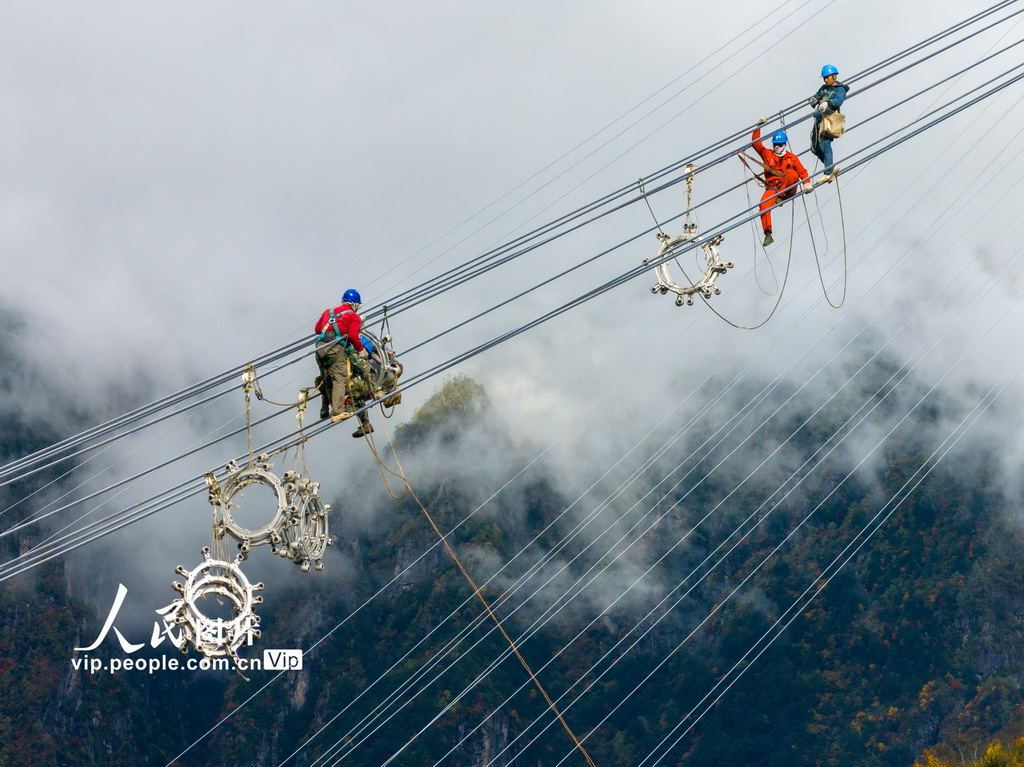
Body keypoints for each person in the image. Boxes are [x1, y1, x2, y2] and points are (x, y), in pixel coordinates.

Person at [314, 289, 374, 436]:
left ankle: (327, 407)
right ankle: (338, 412)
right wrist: (360, 350)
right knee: (340, 379)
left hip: (319, 347)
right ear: (354, 304)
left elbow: (317, 329)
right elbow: (354, 336)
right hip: (335, 349)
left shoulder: (329, 311)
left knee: (328, 379)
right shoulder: (353, 316)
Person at [751, 125, 811, 246]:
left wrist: (806, 183)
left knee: (792, 173)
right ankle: (767, 233)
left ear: (784, 145)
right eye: (775, 144)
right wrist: (758, 127)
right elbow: (756, 144)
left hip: (787, 189)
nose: (776, 147)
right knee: (763, 205)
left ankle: (780, 197)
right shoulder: (767, 154)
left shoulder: (792, 158)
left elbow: (802, 172)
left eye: (779, 144)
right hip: (773, 188)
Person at [809, 64, 850, 180]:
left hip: (828, 121)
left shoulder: (840, 89)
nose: (825, 79)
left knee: (825, 145)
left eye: (827, 77)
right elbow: (817, 95)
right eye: (824, 77)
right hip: (819, 120)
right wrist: (814, 99)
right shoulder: (824, 88)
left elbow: (838, 100)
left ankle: (828, 172)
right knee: (815, 148)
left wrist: (828, 103)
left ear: (834, 76)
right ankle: (830, 167)